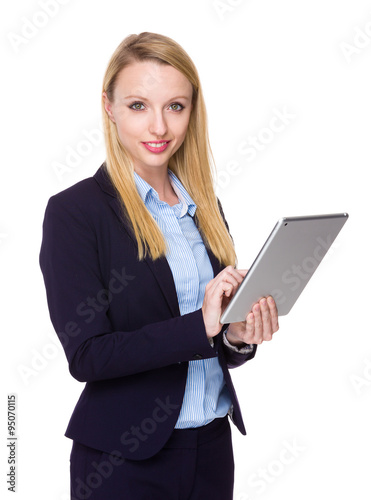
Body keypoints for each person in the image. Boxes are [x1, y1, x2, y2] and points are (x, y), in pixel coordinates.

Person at [39, 32, 279, 500]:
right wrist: (200, 325)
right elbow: (87, 355)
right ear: (108, 107)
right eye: (137, 106)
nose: (159, 127)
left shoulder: (204, 207)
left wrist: (234, 336)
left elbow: (212, 341)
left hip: (211, 449)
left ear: (193, 111)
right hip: (123, 462)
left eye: (175, 106)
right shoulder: (75, 212)